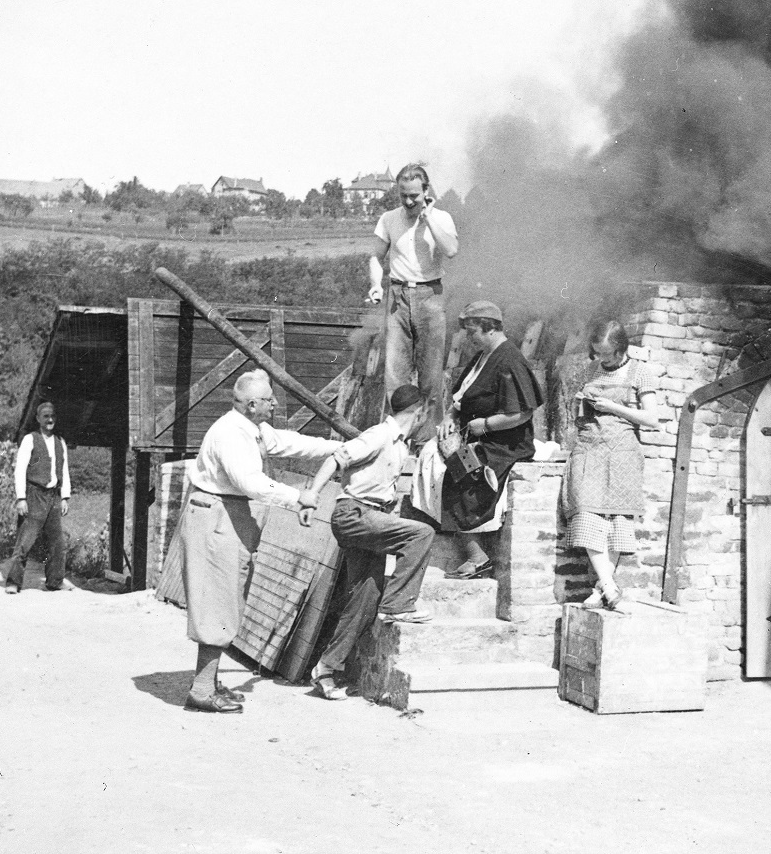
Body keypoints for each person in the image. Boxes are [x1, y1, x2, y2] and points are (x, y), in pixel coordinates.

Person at [179, 368, 344, 715]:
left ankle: (206, 682)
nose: (274, 404)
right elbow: (251, 483)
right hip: (216, 515)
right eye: (269, 399)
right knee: (218, 602)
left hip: (227, 515)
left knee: (227, 599)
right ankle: (202, 690)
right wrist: (298, 496)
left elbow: (291, 442)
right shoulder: (230, 434)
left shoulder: (250, 428)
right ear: (252, 404)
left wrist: (343, 448)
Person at [300, 384, 435, 701]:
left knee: (365, 599)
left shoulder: (401, 444)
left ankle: (326, 669)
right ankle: (399, 605)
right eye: (426, 412)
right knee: (421, 533)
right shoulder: (378, 435)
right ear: (418, 411)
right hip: (354, 515)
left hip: (370, 517)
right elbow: (336, 458)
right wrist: (311, 496)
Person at [438, 301, 545, 579]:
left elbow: (522, 412)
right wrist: (450, 417)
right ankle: (475, 554)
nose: (469, 339)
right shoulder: (482, 356)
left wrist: (484, 425)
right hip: (474, 436)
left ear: (489, 329)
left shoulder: (509, 359)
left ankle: (478, 557)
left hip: (505, 444)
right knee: (436, 463)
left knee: (463, 475)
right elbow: (460, 399)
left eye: (472, 332)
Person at [561, 320, 659, 609]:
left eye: (607, 354)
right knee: (586, 514)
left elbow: (652, 419)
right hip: (590, 448)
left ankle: (601, 587)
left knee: (616, 520)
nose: (601, 359)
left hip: (621, 451)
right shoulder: (592, 369)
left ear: (621, 348)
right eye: (597, 353)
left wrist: (613, 406)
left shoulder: (641, 372)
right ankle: (610, 587)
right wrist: (583, 401)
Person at [368, 163, 459, 440]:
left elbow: (452, 250)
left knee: (431, 377)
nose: (408, 202)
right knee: (395, 376)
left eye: (414, 196)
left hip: (430, 297)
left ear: (426, 192)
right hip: (397, 299)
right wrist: (375, 285)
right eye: (403, 196)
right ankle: (398, 442)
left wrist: (427, 218)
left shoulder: (441, 218)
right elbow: (375, 256)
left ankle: (427, 442)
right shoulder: (388, 219)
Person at [3, 402, 72, 594]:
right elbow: (20, 470)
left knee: (58, 543)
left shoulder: (60, 442)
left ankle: (55, 581)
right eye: (46, 416)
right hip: (34, 495)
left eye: (53, 417)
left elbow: (64, 471)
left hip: (54, 497)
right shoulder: (30, 439)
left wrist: (65, 497)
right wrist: (21, 498)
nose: (50, 420)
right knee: (26, 540)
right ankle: (13, 582)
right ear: (38, 419)